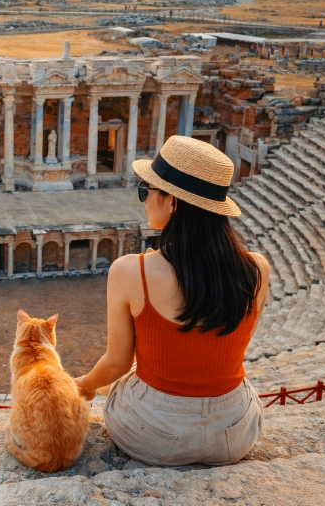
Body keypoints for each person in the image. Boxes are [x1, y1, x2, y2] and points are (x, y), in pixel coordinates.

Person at [75, 136, 270, 466]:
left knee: (122, 383)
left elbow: (116, 363)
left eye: (146, 189)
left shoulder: (130, 271)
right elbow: (222, 351)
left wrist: (83, 385)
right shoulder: (258, 269)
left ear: (173, 203)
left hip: (153, 436)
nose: (144, 199)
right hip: (234, 434)